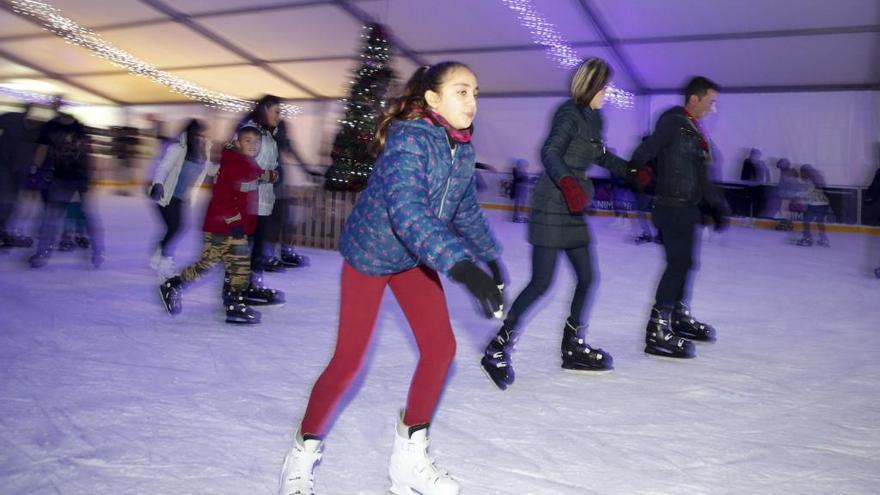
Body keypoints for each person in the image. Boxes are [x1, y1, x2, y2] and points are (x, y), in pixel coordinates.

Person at [277, 61, 504, 495]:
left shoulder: (463, 149)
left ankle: (408, 462)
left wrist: (489, 257)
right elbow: (408, 213)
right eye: (461, 92)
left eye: (475, 92)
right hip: (372, 254)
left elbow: (464, 210)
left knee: (440, 350)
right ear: (432, 99)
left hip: (413, 257)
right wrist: (461, 266)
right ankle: (300, 458)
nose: (472, 101)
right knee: (348, 361)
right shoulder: (410, 141)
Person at [480, 57, 641, 390]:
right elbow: (550, 151)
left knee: (588, 277)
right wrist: (567, 182)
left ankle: (573, 345)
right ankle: (497, 348)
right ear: (592, 86)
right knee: (542, 282)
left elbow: (601, 155)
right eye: (605, 87)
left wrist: (633, 171)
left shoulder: (595, 120)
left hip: (574, 207)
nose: (608, 93)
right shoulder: (568, 113)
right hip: (553, 205)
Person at [629, 76, 729, 359]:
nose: (713, 109)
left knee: (687, 263)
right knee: (677, 264)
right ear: (693, 99)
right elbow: (644, 152)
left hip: (688, 207)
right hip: (671, 206)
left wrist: (715, 206)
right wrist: (638, 178)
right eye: (710, 103)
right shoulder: (674, 122)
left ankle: (677, 316)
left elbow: (699, 175)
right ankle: (657, 330)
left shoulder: (693, 130)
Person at [158, 126, 265, 324]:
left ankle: (235, 305)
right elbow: (223, 197)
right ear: (238, 143)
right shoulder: (232, 164)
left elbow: (256, 174)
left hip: (236, 227)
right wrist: (234, 222)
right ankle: (173, 285)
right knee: (207, 264)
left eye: (257, 142)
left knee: (240, 267)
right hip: (221, 228)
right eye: (248, 141)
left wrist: (270, 175)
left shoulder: (246, 163)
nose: (253, 145)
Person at [28, 98, 103, 268]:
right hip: (64, 177)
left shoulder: (64, 126)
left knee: (58, 215)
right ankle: (96, 252)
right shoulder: (69, 126)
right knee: (55, 215)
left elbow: (88, 152)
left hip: (72, 177)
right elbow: (88, 152)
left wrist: (35, 169)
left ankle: (96, 251)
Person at [233, 95, 287, 305]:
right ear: (265, 109)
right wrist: (267, 175)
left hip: (263, 201)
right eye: (276, 111)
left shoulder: (267, 133)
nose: (279, 116)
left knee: (257, 248)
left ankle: (252, 285)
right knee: (245, 248)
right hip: (249, 201)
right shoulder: (251, 131)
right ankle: (238, 290)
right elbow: (241, 164)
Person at [148, 119, 214, 279]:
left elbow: (210, 170)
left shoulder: (203, 152)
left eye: (204, 136)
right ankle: (164, 262)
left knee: (175, 228)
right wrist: (158, 183)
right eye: (199, 135)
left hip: (181, 198)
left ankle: (157, 256)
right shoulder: (178, 148)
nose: (202, 138)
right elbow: (163, 167)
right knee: (176, 228)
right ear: (191, 134)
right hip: (165, 195)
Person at [0, 103, 39, 248]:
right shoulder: (11, 119)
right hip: (3, 165)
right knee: (5, 199)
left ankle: (4, 231)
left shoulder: (40, 130)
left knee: (13, 202)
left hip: (22, 170)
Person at [795, 164, 831, 247]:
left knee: (806, 221)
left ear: (805, 172)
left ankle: (807, 238)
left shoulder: (810, 181)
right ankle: (824, 239)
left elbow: (807, 193)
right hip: (824, 204)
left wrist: (797, 196)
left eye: (801, 172)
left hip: (815, 205)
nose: (801, 174)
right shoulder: (819, 179)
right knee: (820, 222)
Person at [510, 158, 529, 222]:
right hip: (519, 190)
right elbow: (517, 179)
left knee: (523, 203)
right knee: (518, 203)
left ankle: (521, 216)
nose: (525, 167)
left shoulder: (524, 171)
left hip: (524, 190)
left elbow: (525, 180)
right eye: (524, 165)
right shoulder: (516, 171)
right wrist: (524, 179)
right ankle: (516, 217)